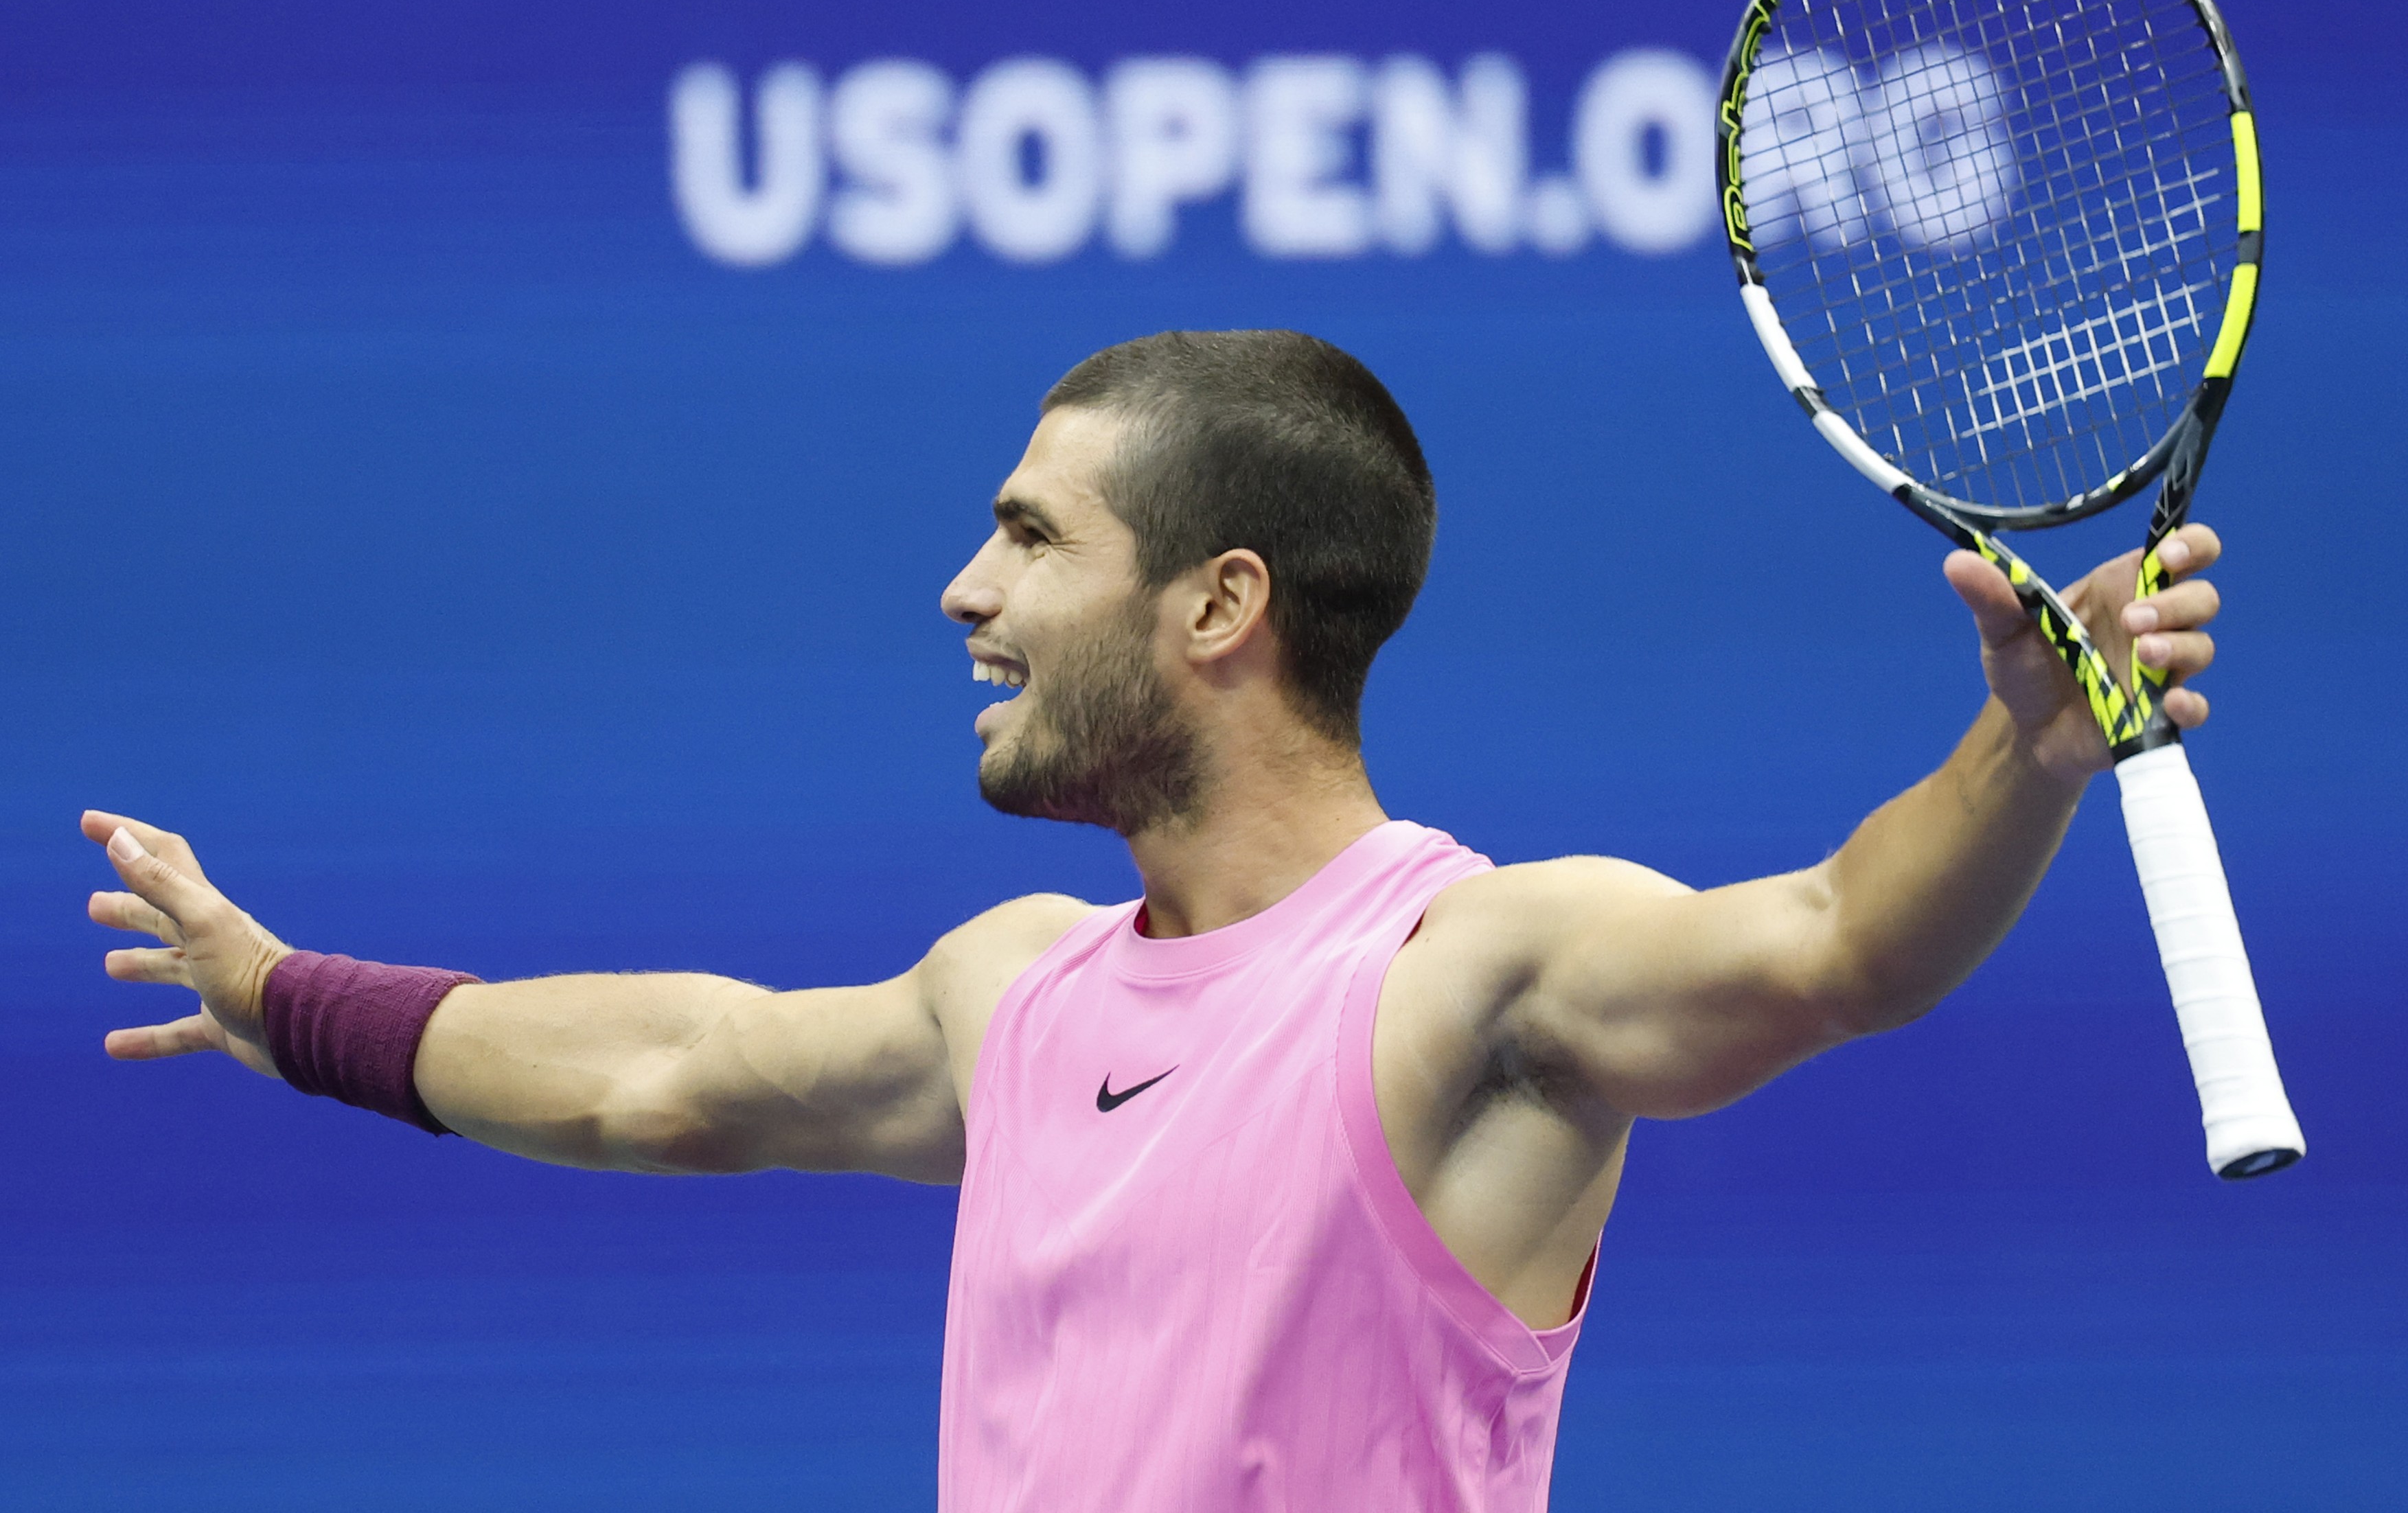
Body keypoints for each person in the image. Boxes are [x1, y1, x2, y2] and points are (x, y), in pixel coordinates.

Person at [83, 330, 2225, 1510]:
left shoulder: (1465, 972)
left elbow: (1842, 943)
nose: (964, 589)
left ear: (1219, 605)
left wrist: (2022, 755)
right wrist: (287, 1000)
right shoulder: (1010, 989)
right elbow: (664, 1075)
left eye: (1029, 535)